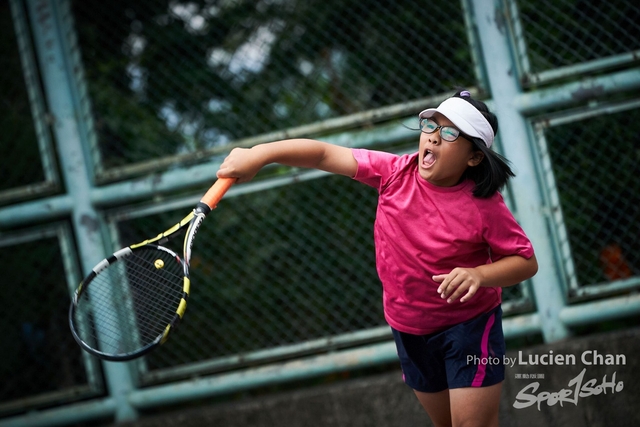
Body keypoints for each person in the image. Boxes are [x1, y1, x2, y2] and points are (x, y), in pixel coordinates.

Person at [217, 90, 538, 427]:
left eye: (449, 133)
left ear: (473, 158)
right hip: (408, 327)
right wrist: (259, 155)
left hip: (470, 327)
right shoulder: (394, 173)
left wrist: (479, 275)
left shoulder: (483, 205)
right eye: (432, 125)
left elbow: (525, 261)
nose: (433, 137)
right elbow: (324, 154)